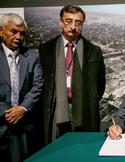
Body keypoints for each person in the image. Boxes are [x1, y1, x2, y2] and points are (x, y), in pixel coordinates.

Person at [38, 4, 106, 144]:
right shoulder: (46, 49)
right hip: (56, 108)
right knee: (56, 147)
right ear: (61, 22)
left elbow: (100, 84)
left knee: (83, 147)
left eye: (78, 22)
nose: (73, 26)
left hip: (84, 109)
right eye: (68, 21)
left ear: (82, 25)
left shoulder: (94, 51)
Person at [0, 13, 43, 162]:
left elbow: (38, 85)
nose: (19, 37)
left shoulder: (32, 56)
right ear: (1, 30)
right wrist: (8, 113)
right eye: (13, 31)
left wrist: (23, 108)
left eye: (22, 33)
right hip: (1, 124)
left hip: (26, 126)